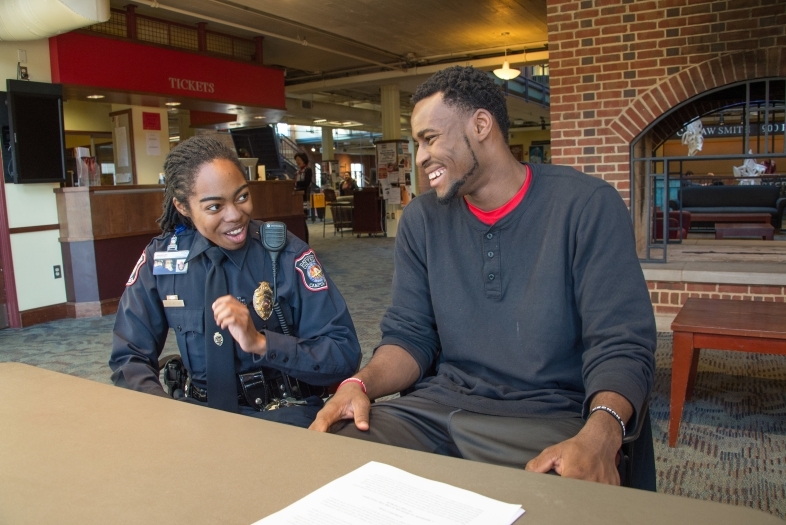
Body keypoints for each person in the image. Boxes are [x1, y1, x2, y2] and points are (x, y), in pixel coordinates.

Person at [310, 66, 657, 487]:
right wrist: (357, 384)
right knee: (335, 451)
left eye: (429, 139)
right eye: (417, 143)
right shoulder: (422, 220)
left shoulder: (585, 206)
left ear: (480, 125)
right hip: (437, 411)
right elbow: (409, 336)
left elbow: (622, 345)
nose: (419, 157)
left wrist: (602, 435)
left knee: (566, 494)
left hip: (547, 417)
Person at [110, 136, 362, 428]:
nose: (235, 215)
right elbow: (128, 356)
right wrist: (163, 415)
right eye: (215, 207)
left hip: (280, 416)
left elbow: (343, 355)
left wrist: (262, 343)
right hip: (196, 417)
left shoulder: (287, 255)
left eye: (242, 197)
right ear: (182, 206)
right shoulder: (163, 260)